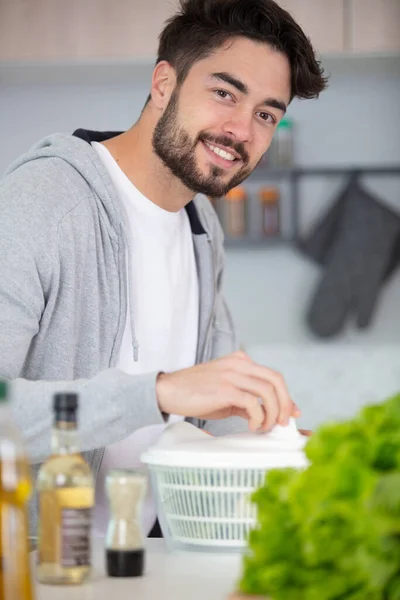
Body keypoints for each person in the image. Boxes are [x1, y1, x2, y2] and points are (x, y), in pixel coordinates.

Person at [0, 0, 327, 536]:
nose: (242, 130)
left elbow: (202, 419)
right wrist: (154, 392)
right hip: (44, 570)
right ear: (163, 84)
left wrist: (276, 445)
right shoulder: (44, 203)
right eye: (225, 93)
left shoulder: (201, 225)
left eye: (267, 114)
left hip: (150, 562)